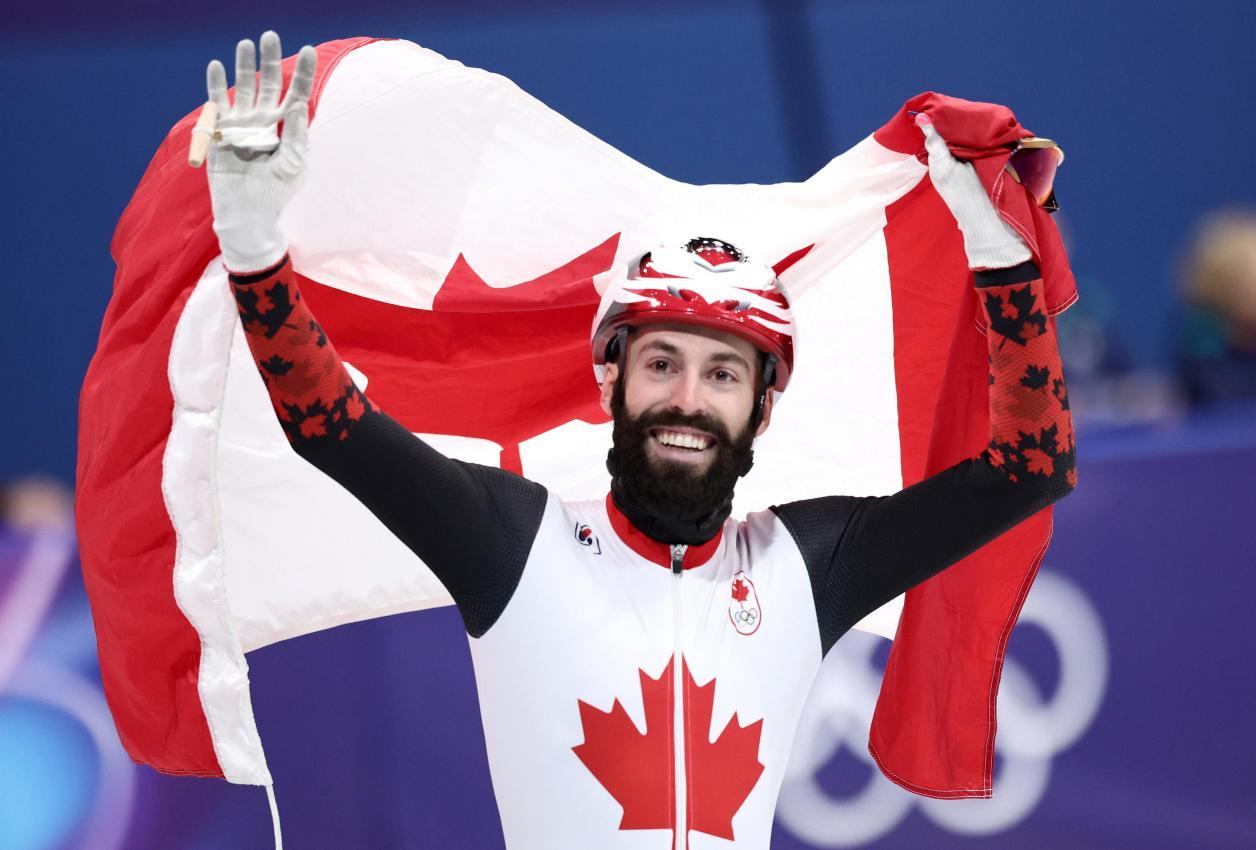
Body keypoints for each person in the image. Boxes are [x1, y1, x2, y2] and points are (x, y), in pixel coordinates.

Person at [206, 32, 1076, 850]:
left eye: (724, 375)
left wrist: (1005, 270)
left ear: (762, 413)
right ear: (609, 382)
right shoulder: (510, 542)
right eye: (661, 362)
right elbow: (332, 428)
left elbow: (1030, 469)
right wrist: (255, 257)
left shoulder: (812, 565)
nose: (687, 401)